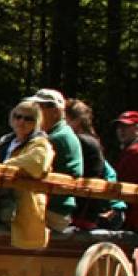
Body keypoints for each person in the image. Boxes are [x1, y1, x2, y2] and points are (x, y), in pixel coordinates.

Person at [0, 99, 55, 249]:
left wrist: (3, 167)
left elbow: (36, 164)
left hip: (24, 209)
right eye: (18, 116)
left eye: (28, 118)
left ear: (36, 122)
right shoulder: (5, 142)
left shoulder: (41, 143)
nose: (22, 121)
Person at [64, 99, 126, 230]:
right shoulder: (91, 141)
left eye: (64, 120)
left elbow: (107, 173)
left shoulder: (80, 142)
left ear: (76, 121)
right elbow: (109, 172)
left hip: (82, 214)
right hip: (89, 212)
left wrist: (116, 205)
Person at [29, 89, 82, 230]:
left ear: (55, 111)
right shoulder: (57, 133)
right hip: (54, 208)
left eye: (40, 107)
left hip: (53, 211)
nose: (34, 111)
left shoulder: (57, 138)